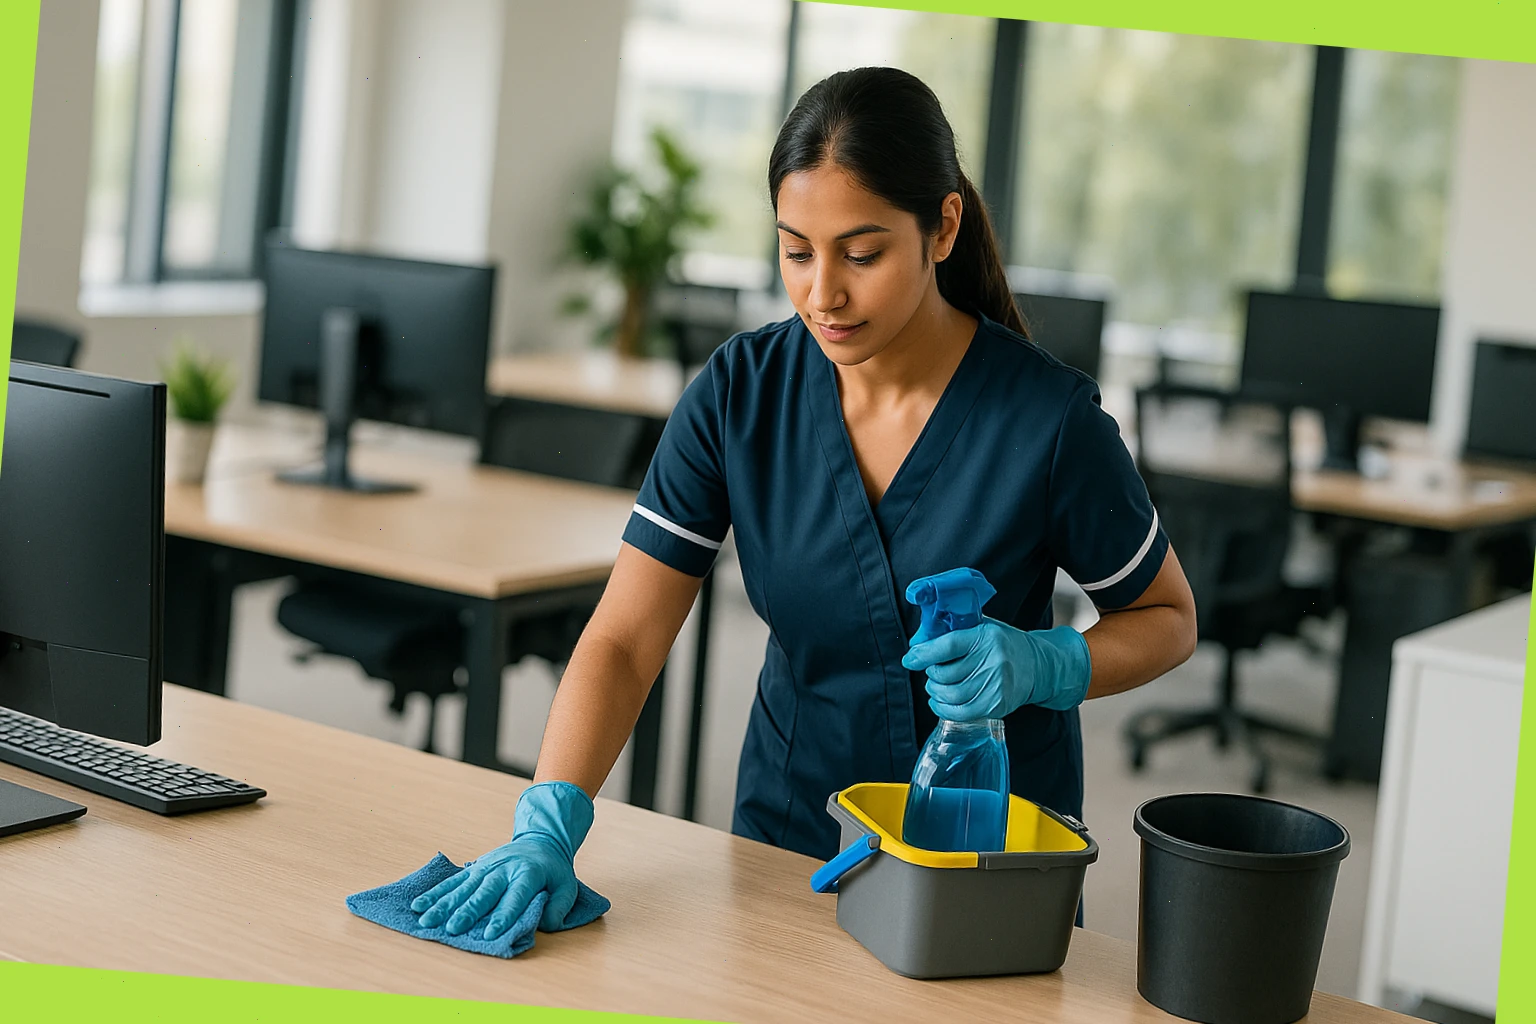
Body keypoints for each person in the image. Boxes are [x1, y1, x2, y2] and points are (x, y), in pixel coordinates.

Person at [410, 66, 1198, 942]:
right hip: (788, 844)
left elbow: (1167, 616)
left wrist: (1047, 663)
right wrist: (547, 823)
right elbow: (627, 638)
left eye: (862, 254)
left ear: (942, 227)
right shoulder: (741, 394)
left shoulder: (1048, 421)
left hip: (985, 858)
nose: (824, 292)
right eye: (796, 251)